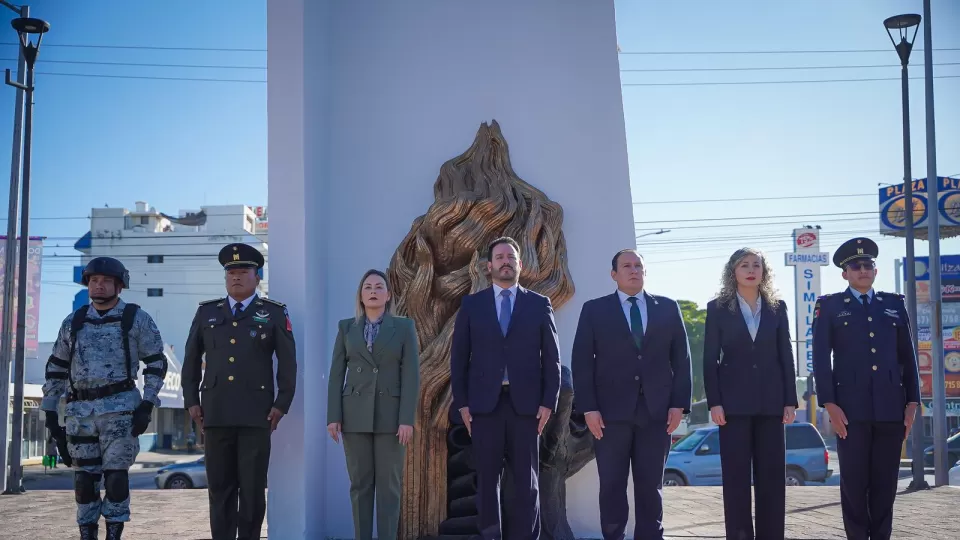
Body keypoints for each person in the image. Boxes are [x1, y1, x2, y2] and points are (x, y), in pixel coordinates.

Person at [41, 257, 169, 540]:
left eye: (106, 281)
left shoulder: (135, 318)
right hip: (80, 414)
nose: (98, 286)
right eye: (94, 281)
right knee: (84, 481)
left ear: (119, 286)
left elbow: (156, 363)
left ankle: (114, 534)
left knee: (116, 478)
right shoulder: (73, 322)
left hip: (120, 411)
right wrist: (51, 416)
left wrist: (147, 404)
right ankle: (87, 534)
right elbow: (56, 368)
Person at [571, 249, 692, 540]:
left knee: (651, 486)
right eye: (627, 266)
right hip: (610, 415)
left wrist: (679, 405)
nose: (634, 270)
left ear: (645, 272)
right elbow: (582, 362)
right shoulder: (594, 310)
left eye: (639, 265)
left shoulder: (667, 307)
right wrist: (589, 408)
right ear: (614, 274)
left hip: (657, 414)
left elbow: (682, 359)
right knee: (611, 485)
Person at [182, 243, 298, 540]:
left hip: (256, 415)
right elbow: (191, 361)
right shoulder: (206, 312)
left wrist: (282, 404)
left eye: (243, 271)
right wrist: (192, 401)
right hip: (215, 413)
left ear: (257, 276)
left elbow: (287, 363)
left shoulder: (272, 313)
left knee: (252, 489)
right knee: (220, 489)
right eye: (231, 272)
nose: (236, 277)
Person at [450, 236, 561, 540]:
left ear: (520, 265)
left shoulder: (539, 304)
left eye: (511, 257)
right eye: (500, 257)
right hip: (484, 408)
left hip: (527, 407)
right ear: (489, 266)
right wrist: (462, 404)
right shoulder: (472, 305)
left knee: (527, 484)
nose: (506, 262)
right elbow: (458, 358)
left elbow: (552, 358)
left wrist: (548, 403)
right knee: (487, 483)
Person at [812, 237, 921, 540]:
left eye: (868, 265)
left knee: (885, 484)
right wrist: (829, 404)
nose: (863, 270)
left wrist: (913, 402)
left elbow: (908, 356)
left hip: (890, 408)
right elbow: (820, 358)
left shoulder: (893, 304)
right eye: (855, 266)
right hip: (850, 411)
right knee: (855, 484)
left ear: (875, 270)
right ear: (844, 273)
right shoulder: (830, 306)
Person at [702, 247, 798, 540]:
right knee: (736, 480)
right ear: (734, 272)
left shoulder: (777, 307)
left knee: (771, 479)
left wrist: (790, 401)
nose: (751, 270)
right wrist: (715, 402)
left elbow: (786, 355)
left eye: (756, 265)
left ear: (764, 272)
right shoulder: (718, 308)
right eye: (744, 265)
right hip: (732, 407)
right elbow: (710, 359)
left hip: (771, 405)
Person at [326, 269, 420, 540]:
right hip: (354, 415)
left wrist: (406, 419)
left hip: (391, 418)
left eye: (379, 286)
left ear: (388, 295)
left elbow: (411, 375)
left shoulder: (404, 327)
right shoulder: (346, 327)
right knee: (360, 485)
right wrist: (333, 416)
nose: (373, 291)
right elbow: (336, 375)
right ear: (361, 295)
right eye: (368, 287)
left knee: (389, 486)